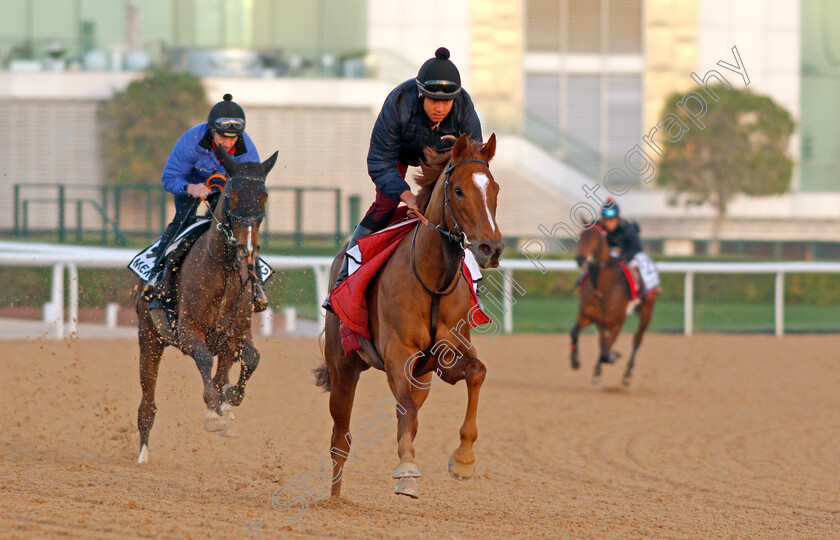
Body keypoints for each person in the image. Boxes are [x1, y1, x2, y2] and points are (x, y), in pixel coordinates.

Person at [322, 47, 482, 311]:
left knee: (458, 203)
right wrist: (407, 196)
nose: (440, 108)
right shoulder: (398, 102)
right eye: (432, 100)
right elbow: (379, 162)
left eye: (447, 102)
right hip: (398, 153)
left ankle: (473, 274)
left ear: (456, 99)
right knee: (385, 205)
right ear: (420, 93)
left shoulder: (464, 106)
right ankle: (344, 278)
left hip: (442, 156)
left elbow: (473, 162)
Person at [142, 94, 268, 311]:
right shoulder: (190, 141)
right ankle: (155, 276)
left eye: (234, 138)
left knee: (242, 227)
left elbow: (251, 186)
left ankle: (257, 284)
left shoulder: (248, 148)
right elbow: (169, 177)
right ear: (211, 130)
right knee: (181, 221)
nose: (228, 144)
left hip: (226, 190)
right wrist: (191, 188)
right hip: (190, 186)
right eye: (223, 137)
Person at [599, 199, 661, 296]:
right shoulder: (601, 227)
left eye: (611, 220)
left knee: (643, 260)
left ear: (617, 219)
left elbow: (637, 247)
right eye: (606, 220)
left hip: (630, 254)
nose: (608, 223)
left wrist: (623, 257)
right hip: (613, 256)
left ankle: (650, 286)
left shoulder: (627, 228)